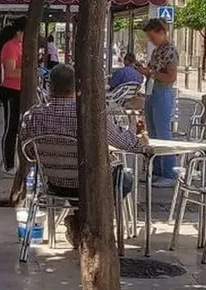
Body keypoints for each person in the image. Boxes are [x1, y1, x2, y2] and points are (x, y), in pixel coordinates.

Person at [17, 64, 142, 246]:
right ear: (76, 87)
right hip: (90, 185)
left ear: (49, 86)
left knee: (81, 179)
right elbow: (128, 144)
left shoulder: (33, 116)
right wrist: (138, 135)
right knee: (126, 178)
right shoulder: (90, 115)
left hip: (54, 184)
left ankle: (78, 222)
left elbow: (28, 153)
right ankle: (88, 226)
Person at [135, 18, 179, 188]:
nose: (150, 41)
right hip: (152, 92)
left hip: (162, 93)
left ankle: (169, 173)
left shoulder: (170, 51)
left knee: (163, 133)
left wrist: (151, 73)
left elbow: (171, 77)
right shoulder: (157, 50)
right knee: (152, 132)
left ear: (161, 32)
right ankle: (158, 172)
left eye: (152, 37)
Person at [0, 17, 25, 173]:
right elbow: (10, 72)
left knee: (20, 127)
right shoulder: (10, 47)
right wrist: (28, 70)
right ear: (19, 32)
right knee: (11, 128)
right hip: (11, 90)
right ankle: (8, 163)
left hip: (22, 90)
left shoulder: (21, 46)